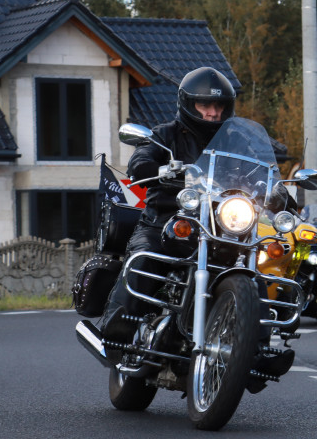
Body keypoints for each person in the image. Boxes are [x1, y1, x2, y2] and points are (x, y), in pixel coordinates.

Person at [98, 66, 236, 343]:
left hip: (222, 226)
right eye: (205, 104)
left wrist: (281, 192)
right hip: (166, 220)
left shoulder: (236, 141)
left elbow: (263, 169)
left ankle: (256, 341)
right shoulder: (165, 134)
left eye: (219, 105)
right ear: (188, 104)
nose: (213, 113)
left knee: (256, 264)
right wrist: (148, 166)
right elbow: (142, 156)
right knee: (146, 255)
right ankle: (118, 328)